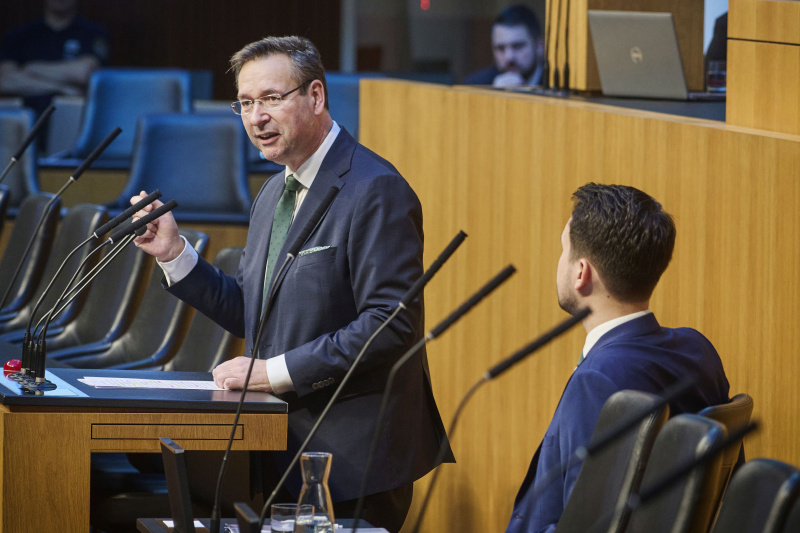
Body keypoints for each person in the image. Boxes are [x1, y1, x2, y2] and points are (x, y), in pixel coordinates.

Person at [131, 35, 452, 533]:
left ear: (316, 97)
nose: (256, 117)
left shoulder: (375, 189)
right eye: (245, 103)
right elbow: (257, 315)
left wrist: (272, 372)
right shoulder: (272, 193)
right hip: (280, 450)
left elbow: (391, 324)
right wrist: (176, 256)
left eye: (271, 99)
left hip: (352, 463)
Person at [506, 183, 731, 533]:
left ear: (581, 273)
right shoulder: (698, 350)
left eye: (563, 250)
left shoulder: (598, 380)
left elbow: (585, 524)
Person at [0, 0, 109, 117]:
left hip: (73, 115)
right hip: (24, 116)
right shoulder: (19, 35)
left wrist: (28, 68)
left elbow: (83, 73)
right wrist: (60, 88)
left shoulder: (92, 33)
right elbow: (5, 80)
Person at [463, 4, 544, 87]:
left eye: (517, 46)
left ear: (539, 46)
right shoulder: (476, 85)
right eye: (500, 48)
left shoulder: (554, 84)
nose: (509, 57)